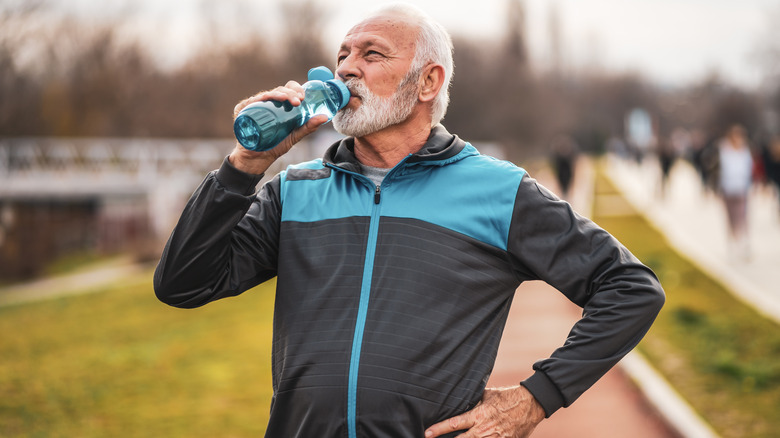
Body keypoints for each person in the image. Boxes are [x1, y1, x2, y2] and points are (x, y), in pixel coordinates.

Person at [154, 4, 665, 437]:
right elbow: (182, 283)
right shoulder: (295, 190)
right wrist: (245, 165)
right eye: (343, 56)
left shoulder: (496, 190)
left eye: (371, 54)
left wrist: (536, 398)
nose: (347, 70)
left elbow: (631, 287)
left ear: (427, 81)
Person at [717, 124, 754, 260]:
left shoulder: (745, 151)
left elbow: (748, 169)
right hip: (727, 189)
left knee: (742, 218)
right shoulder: (724, 150)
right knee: (730, 218)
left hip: (741, 189)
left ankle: (743, 245)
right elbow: (720, 169)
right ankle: (732, 244)